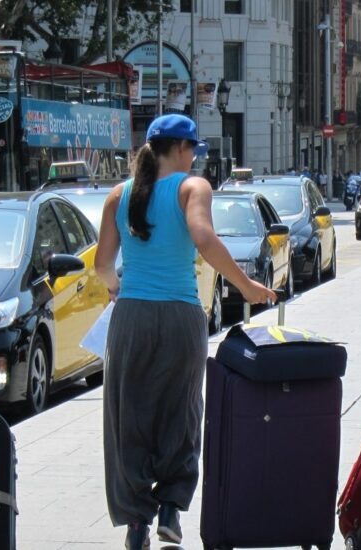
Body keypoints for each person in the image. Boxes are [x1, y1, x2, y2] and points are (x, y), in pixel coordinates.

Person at [94, 113, 276, 550]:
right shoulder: (193, 187)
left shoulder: (119, 196)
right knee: (181, 410)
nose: (195, 158)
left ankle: (137, 523)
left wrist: (121, 289)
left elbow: (102, 265)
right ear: (181, 149)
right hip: (180, 313)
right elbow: (203, 237)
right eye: (193, 149)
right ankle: (172, 508)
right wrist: (246, 285)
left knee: (129, 417)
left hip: (131, 316)